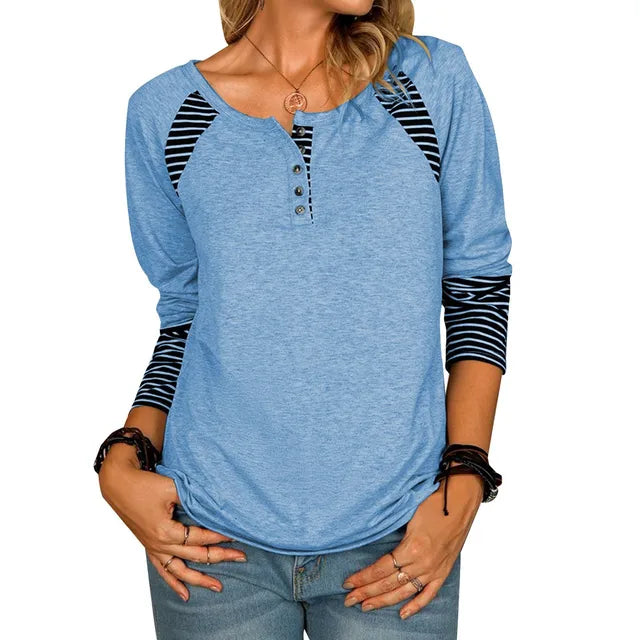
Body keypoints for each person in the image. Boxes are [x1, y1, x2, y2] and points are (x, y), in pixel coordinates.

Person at [95, 1, 512, 638]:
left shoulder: (429, 80)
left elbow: (478, 288)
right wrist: (123, 457)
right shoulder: (165, 112)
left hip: (398, 539)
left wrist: (466, 478)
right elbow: (186, 314)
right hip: (210, 542)